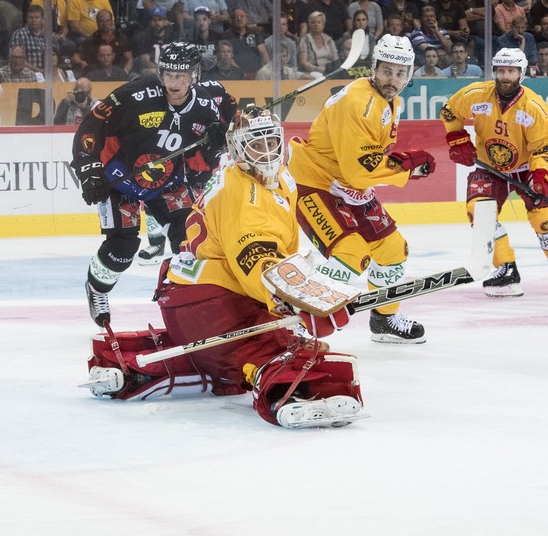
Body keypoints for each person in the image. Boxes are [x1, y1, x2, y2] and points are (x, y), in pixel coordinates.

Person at [81, 106, 366, 430]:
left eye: (272, 141)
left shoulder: (255, 174)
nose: (267, 152)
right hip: (215, 305)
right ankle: (288, 388)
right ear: (237, 147)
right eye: (256, 144)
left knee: (215, 355)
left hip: (185, 301)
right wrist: (308, 299)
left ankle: (136, 367)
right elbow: (257, 258)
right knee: (276, 348)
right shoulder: (247, 192)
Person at [288, 35, 436, 344]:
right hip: (315, 184)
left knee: (393, 250)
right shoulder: (360, 102)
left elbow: (365, 165)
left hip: (348, 188)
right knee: (350, 252)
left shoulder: (390, 102)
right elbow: (358, 170)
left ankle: (383, 319)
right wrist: (405, 168)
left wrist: (402, 166)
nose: (392, 79)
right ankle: (302, 326)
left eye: (399, 73)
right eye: (386, 71)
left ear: (408, 75)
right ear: (374, 69)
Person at [72, 42, 231, 327]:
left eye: (181, 76)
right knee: (122, 249)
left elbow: (201, 164)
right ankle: (97, 289)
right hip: (120, 179)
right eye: (169, 74)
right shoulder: (137, 93)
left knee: (189, 240)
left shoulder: (206, 107)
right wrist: (88, 166)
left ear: (194, 75)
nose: (174, 82)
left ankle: (187, 301)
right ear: (160, 73)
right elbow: (93, 124)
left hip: (167, 182)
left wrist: (215, 146)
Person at [441, 47, 548, 297]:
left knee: (545, 218)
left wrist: (539, 175)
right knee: (479, 211)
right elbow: (450, 112)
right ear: (494, 71)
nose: (505, 76)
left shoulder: (534, 106)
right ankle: (506, 267)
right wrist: (457, 138)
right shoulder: (477, 94)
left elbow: (545, 146)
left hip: (527, 169)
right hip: (490, 166)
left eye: (511, 71)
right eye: (501, 70)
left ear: (521, 74)